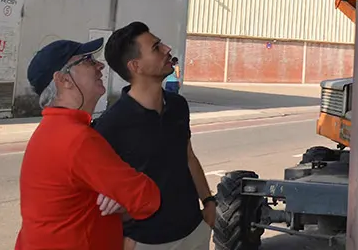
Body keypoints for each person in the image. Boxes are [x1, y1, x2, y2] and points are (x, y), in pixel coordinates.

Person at [16, 38, 161, 250]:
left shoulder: (53, 129)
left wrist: (118, 195)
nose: (100, 65)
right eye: (87, 60)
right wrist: (123, 197)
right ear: (64, 80)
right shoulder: (78, 139)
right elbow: (147, 199)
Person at [94, 23, 216, 250]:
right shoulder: (111, 125)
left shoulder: (178, 105)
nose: (167, 49)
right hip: (146, 242)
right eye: (156, 47)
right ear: (136, 66)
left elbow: (188, 156)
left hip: (194, 232)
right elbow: (101, 196)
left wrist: (208, 202)